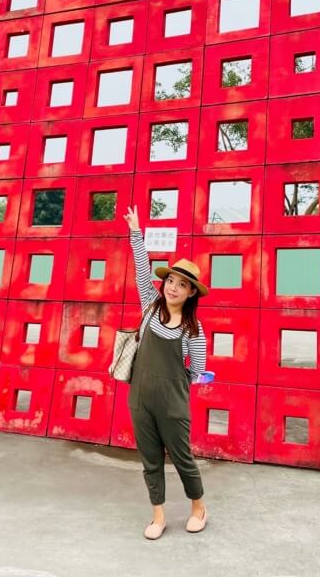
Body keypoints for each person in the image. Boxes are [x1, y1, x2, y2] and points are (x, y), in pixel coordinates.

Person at [122, 204, 209, 540]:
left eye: (181, 285)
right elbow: (143, 270)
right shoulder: (149, 306)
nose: (172, 287)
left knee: (183, 458)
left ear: (190, 294)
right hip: (140, 398)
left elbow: (197, 372)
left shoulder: (194, 330)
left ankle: (198, 508)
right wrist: (136, 232)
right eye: (170, 280)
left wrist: (174, 391)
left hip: (173, 405)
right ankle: (158, 516)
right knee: (150, 459)